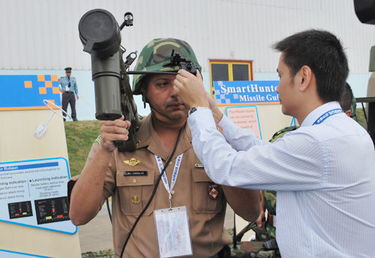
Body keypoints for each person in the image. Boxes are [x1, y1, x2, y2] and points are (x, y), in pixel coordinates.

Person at [174, 30, 375, 257]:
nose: (277, 87)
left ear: (303, 77)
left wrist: (197, 108)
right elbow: (266, 152)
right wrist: (216, 115)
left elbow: (225, 167)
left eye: (280, 76)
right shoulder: (346, 132)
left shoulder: (316, 143)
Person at [68, 38, 260, 257]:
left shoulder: (215, 141)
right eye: (162, 84)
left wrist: (223, 149)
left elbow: (251, 212)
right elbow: (79, 216)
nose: (175, 92)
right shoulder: (119, 142)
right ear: (144, 90)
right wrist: (103, 151)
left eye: (182, 82)